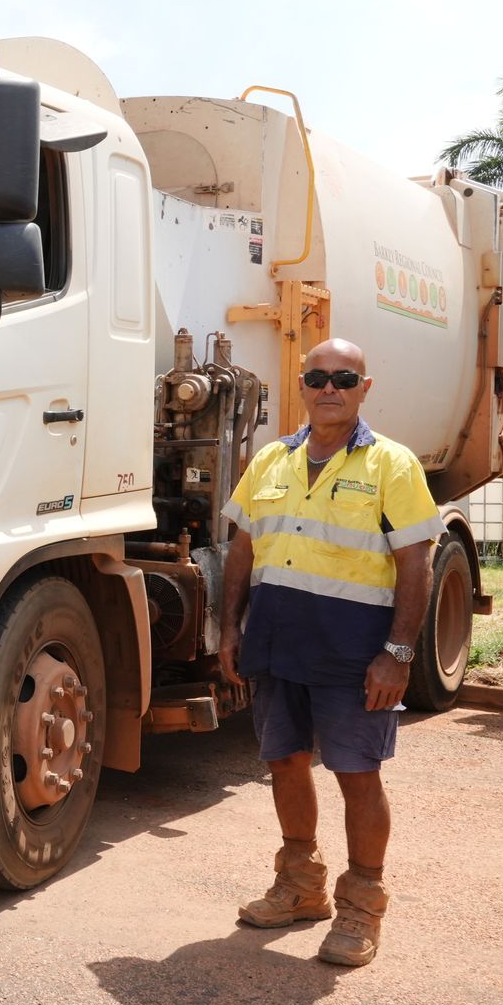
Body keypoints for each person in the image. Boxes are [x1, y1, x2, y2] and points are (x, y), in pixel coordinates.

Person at [217, 338, 443, 967]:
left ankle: (361, 907)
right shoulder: (270, 462)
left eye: (344, 377)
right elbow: (242, 550)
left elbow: (415, 562)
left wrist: (397, 654)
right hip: (276, 642)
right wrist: (230, 628)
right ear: (303, 384)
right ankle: (300, 886)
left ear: (364, 388)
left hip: (353, 650)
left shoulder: (391, 465)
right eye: (317, 377)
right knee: (285, 763)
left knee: (356, 775)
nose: (329, 388)